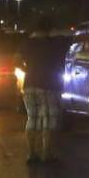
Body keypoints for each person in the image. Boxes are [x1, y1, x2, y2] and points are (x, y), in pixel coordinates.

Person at [17, 16, 68, 164]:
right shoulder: (56, 43)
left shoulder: (26, 43)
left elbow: (16, 61)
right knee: (49, 122)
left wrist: (27, 69)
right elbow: (80, 36)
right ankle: (47, 154)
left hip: (29, 85)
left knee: (32, 119)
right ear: (49, 29)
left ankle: (31, 154)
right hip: (49, 86)